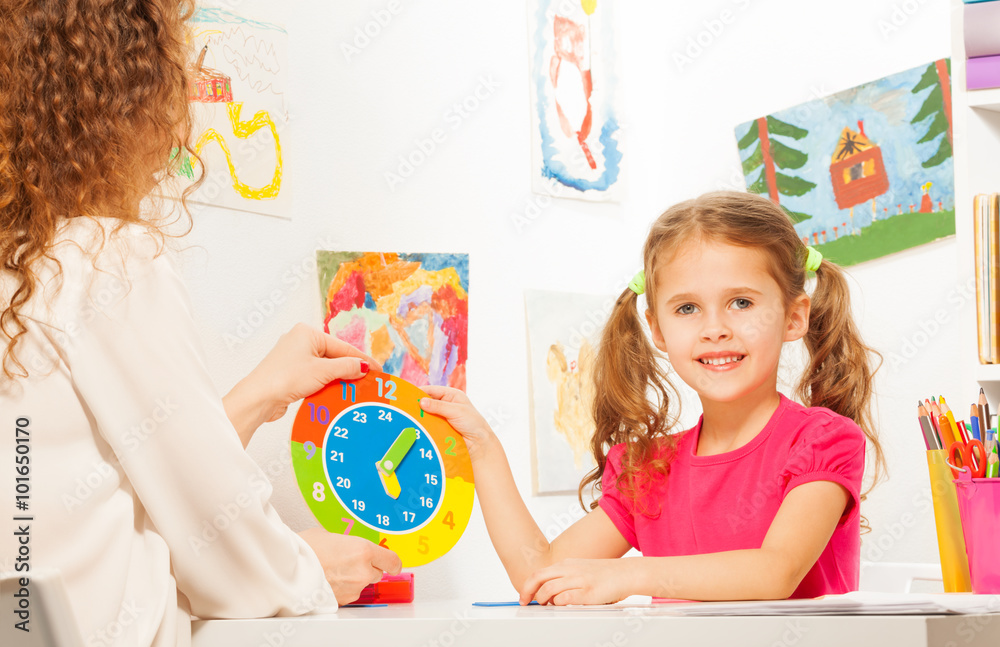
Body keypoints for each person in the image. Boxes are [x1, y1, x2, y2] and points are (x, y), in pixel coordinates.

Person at [0, 2, 399, 646]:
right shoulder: (104, 258)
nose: (188, 94)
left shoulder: (22, 268)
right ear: (129, 91)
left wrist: (256, 396)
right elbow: (229, 554)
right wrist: (307, 568)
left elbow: (100, 476)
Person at [420, 191, 886, 604]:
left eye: (741, 302)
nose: (714, 328)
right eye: (687, 308)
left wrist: (630, 574)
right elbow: (541, 575)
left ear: (793, 317)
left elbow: (775, 571)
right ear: (658, 329)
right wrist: (482, 449)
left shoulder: (823, 440)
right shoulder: (649, 470)